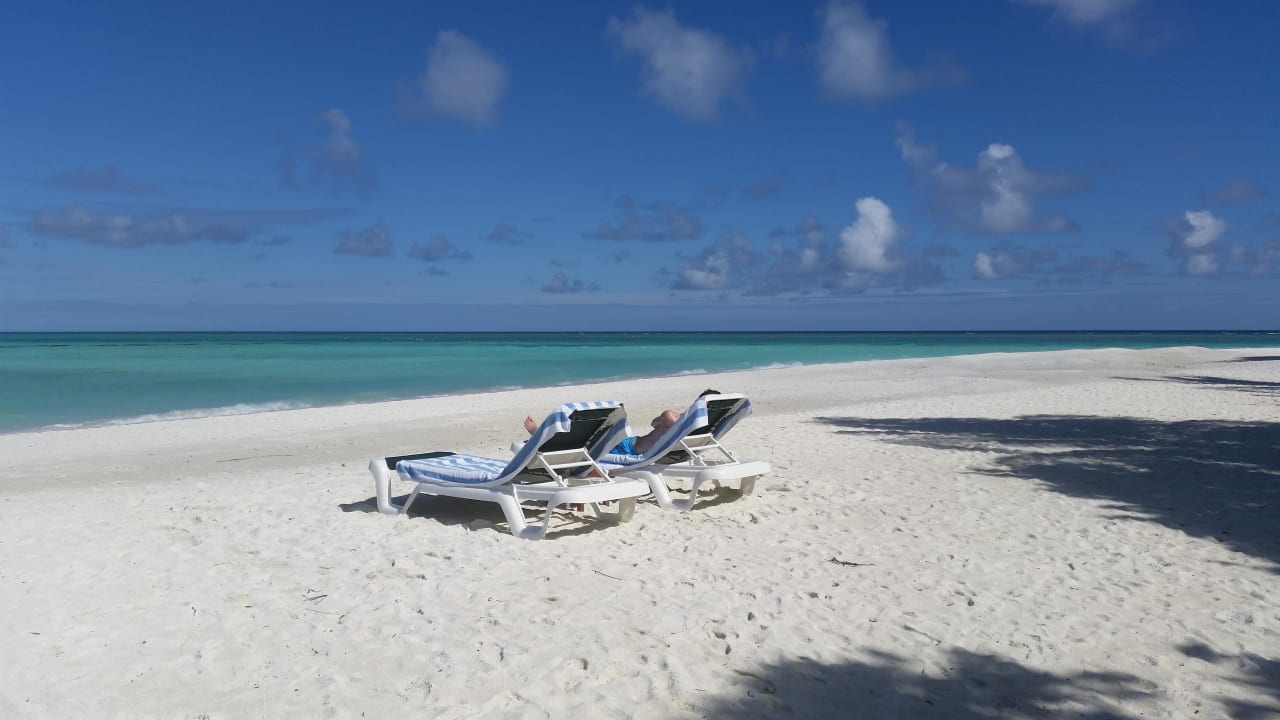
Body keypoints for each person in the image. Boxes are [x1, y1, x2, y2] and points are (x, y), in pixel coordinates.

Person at [523, 407, 679, 456]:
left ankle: (541, 437)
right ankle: (544, 438)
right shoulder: (683, 429)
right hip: (631, 444)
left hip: (627, 450)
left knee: (583, 448)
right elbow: (654, 423)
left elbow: (657, 421)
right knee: (587, 443)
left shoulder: (671, 420)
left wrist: (663, 421)